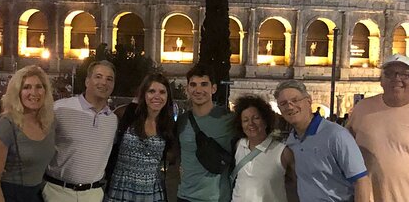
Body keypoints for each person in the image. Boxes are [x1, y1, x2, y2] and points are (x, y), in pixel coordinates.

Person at [347, 54, 409, 202]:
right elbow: (345, 151)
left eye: (404, 74)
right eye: (389, 74)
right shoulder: (362, 109)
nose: (397, 78)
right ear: (381, 80)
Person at [274, 80, 370, 202]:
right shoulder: (292, 141)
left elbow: (361, 180)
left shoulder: (335, 135)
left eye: (295, 100)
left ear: (309, 101)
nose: (289, 106)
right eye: (283, 103)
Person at [44, 60, 117, 202]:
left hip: (93, 194)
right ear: (87, 81)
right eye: (98, 76)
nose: (104, 82)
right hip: (58, 192)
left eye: (109, 79)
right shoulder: (60, 109)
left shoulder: (112, 120)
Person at [0, 65, 56, 202]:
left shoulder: (50, 123)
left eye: (39, 87)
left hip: (35, 195)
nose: (34, 92)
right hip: (8, 195)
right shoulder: (7, 124)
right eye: (26, 87)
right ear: (17, 93)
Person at [104, 73, 176, 202]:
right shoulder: (125, 115)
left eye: (162, 92)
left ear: (167, 97)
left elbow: (172, 156)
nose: (157, 96)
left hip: (152, 192)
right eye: (151, 91)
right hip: (121, 189)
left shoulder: (168, 125)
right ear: (144, 94)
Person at [177, 63, 234, 202]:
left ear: (213, 88)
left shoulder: (229, 120)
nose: (198, 89)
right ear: (187, 89)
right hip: (185, 197)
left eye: (204, 84)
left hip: (218, 198)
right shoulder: (182, 121)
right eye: (193, 84)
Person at [231, 95, 297, 202]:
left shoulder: (283, 152)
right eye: (245, 120)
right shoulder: (239, 145)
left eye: (256, 118)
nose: (251, 124)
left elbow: (297, 185)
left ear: (265, 121)